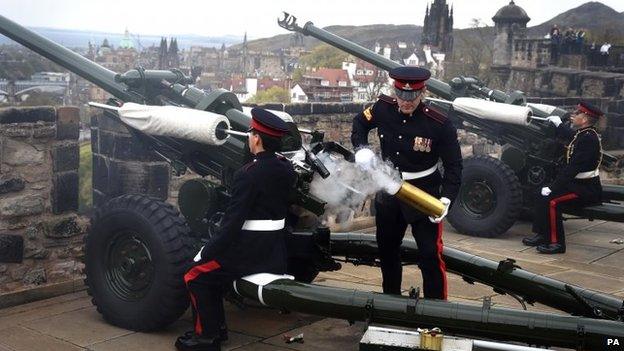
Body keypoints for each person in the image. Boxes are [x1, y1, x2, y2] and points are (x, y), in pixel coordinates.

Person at [175, 108, 296, 351]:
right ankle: (216, 329)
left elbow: (232, 223)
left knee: (195, 274)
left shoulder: (248, 174)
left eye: (251, 133)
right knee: (209, 276)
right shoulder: (286, 168)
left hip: (248, 254)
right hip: (273, 250)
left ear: (257, 139)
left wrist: (206, 251)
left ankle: (205, 337)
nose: (249, 137)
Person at [351, 66, 462, 299]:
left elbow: (454, 166)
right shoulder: (383, 108)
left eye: (412, 96)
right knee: (388, 252)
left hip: (424, 193)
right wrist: (361, 149)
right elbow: (359, 123)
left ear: (422, 92)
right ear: (395, 91)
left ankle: (436, 309)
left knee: (430, 255)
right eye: (401, 95)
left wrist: (446, 199)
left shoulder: (439, 122)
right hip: (389, 192)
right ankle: (392, 303)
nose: (406, 101)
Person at [522, 101, 604, 254]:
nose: (574, 114)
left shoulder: (589, 139)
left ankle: (557, 243)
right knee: (540, 193)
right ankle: (542, 235)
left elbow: (572, 169)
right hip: (577, 184)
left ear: (585, 118)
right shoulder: (585, 134)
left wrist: (553, 187)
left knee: (552, 201)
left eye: (578, 113)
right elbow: (573, 137)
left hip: (585, 189)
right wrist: (559, 125)